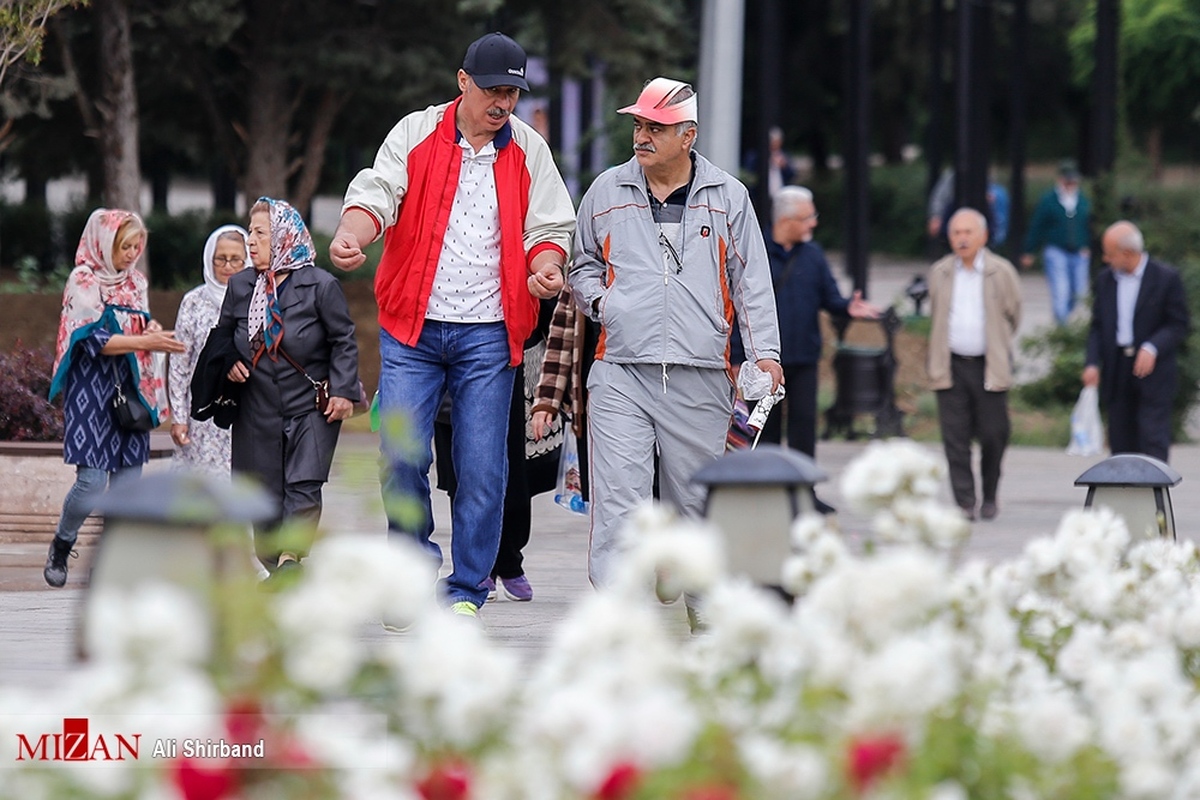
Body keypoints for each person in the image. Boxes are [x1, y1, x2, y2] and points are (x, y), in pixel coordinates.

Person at [329, 32, 575, 619]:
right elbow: (378, 190)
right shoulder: (415, 132)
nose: (503, 104)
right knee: (401, 454)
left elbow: (549, 227)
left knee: (484, 465)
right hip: (412, 330)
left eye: (512, 93)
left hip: (490, 332)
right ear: (462, 82)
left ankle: (467, 586)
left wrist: (546, 266)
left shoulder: (529, 151)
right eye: (493, 90)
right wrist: (351, 233)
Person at [567, 77, 783, 587]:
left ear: (688, 135)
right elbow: (582, 267)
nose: (642, 136)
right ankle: (620, 617)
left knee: (698, 502)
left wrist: (765, 354)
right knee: (620, 503)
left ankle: (705, 612)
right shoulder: (606, 190)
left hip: (702, 374)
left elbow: (751, 279)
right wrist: (607, 304)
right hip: (620, 370)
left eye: (656, 128)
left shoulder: (729, 196)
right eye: (639, 125)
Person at [43, 209, 186, 587]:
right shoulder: (83, 279)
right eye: (125, 245)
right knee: (91, 482)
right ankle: (62, 541)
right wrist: (146, 341)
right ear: (105, 243)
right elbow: (90, 340)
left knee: (125, 485)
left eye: (138, 245)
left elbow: (137, 325)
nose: (132, 253)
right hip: (91, 390)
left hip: (131, 388)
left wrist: (151, 330)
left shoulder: (136, 281)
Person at [218, 198, 360, 577]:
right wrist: (229, 362)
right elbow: (223, 339)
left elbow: (343, 339)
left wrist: (344, 390)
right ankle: (274, 561)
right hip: (256, 407)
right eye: (250, 232)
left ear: (283, 236)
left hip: (309, 404)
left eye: (260, 233)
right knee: (261, 491)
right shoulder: (241, 285)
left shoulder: (320, 285)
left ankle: (290, 560)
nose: (251, 241)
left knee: (304, 482)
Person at [735, 187, 881, 468]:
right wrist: (737, 358)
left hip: (804, 359)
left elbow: (830, 298)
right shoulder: (755, 252)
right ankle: (768, 494)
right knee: (765, 430)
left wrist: (848, 306)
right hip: (764, 363)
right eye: (807, 217)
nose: (814, 223)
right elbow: (739, 305)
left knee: (804, 427)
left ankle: (805, 494)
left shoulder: (813, 255)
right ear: (786, 221)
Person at [433, 297, 563, 602]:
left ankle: (509, 560)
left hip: (511, 359)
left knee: (513, 472)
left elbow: (549, 308)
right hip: (446, 354)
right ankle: (477, 567)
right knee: (463, 474)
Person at [927, 207, 1021, 522]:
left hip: (989, 365)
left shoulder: (1001, 271)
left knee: (994, 433)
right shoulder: (940, 271)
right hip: (951, 363)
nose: (962, 238)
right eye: (956, 232)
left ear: (983, 236)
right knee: (955, 436)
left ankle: (990, 494)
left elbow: (1014, 314)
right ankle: (965, 501)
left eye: (969, 232)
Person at [1083, 221, 1190, 462]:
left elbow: (1178, 324)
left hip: (1152, 369)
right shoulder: (1105, 281)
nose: (1106, 259)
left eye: (1110, 254)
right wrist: (1091, 362)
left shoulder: (1165, 278)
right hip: (1117, 365)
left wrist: (1153, 346)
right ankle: (1123, 494)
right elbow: (1097, 326)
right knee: (1120, 437)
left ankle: (1154, 494)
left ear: (1127, 253)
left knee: (1152, 435)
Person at [168, 225, 251, 473]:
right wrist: (179, 417)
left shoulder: (257, 300)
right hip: (204, 413)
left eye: (236, 259)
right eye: (220, 259)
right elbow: (180, 364)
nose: (227, 266)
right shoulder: (193, 302)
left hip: (247, 411)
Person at [1021, 160, 1091, 325]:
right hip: (1056, 250)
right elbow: (1037, 226)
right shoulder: (1049, 200)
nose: (1071, 184)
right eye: (1068, 180)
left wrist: (1087, 245)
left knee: (1079, 292)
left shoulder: (1082, 200)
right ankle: (1061, 326)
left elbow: (1087, 225)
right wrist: (1029, 250)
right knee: (1061, 290)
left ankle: (1065, 318)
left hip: (1079, 252)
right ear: (1060, 180)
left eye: (1073, 181)